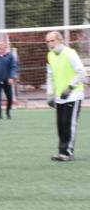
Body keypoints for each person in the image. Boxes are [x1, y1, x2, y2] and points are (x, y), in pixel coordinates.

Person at [44, 30, 86, 161]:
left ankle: (67, 152)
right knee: (60, 124)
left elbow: (81, 72)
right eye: (48, 41)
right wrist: (50, 94)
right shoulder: (50, 55)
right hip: (59, 97)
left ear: (60, 40)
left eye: (52, 40)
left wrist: (70, 87)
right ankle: (62, 151)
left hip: (73, 95)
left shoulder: (70, 53)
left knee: (69, 123)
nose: (50, 44)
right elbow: (50, 76)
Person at [0, 40, 19, 120]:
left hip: (7, 80)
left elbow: (14, 67)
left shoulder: (10, 56)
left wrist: (12, 77)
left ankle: (8, 111)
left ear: (5, 47)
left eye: (1, 45)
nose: (0, 46)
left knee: (10, 98)